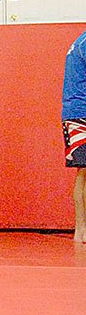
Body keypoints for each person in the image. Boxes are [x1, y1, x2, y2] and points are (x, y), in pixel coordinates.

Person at [64, 29, 86, 243]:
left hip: (75, 113)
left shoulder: (80, 41)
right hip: (81, 114)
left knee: (83, 172)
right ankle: (81, 229)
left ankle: (81, 230)